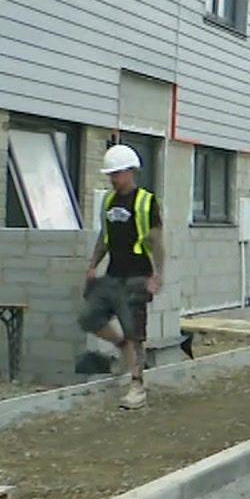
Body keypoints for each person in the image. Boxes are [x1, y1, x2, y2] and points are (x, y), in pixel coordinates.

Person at [79, 144, 163, 409]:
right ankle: (121, 345)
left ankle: (137, 386)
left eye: (116, 174)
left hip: (138, 275)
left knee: (135, 331)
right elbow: (104, 238)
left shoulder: (146, 202)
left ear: (130, 172)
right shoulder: (108, 201)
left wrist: (157, 275)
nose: (113, 179)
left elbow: (157, 240)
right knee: (89, 318)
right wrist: (93, 265)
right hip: (113, 274)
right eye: (110, 174)